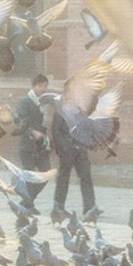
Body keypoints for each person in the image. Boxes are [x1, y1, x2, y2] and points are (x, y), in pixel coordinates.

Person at [48, 87, 96, 221]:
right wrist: (66, 148)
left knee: (86, 178)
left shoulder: (82, 113)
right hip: (67, 151)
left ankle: (90, 209)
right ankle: (58, 208)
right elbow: (56, 132)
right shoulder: (60, 113)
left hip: (81, 150)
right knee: (63, 179)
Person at [13, 74, 52, 209]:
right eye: (41, 86)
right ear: (34, 86)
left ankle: (27, 202)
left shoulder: (45, 103)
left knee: (45, 174)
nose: (44, 89)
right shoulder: (25, 102)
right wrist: (32, 132)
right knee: (29, 176)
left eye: (46, 86)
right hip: (28, 146)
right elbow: (19, 122)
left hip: (41, 146)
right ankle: (28, 204)